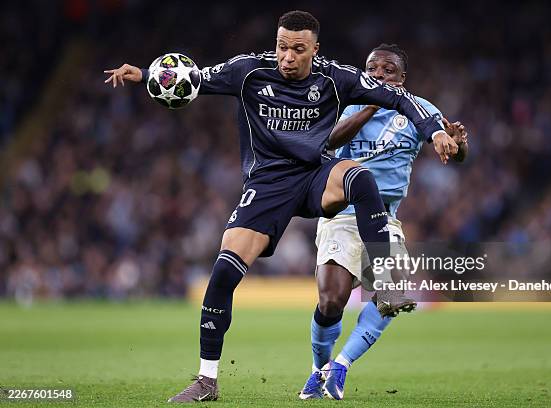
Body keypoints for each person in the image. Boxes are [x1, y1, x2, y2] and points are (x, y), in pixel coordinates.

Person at [104, 10, 458, 402]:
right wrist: (144, 74)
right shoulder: (248, 71)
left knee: (358, 176)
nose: (287, 57)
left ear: (315, 49)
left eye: (298, 49)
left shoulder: (334, 77)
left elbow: (399, 97)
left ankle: (385, 281)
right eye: (282, 47)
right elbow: (196, 78)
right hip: (268, 185)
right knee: (223, 273)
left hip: (314, 176)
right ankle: (206, 380)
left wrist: (435, 132)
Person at [298, 43, 468, 400]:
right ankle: (318, 370)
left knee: (394, 291)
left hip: (384, 218)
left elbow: (452, 147)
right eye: (372, 69)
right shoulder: (349, 105)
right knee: (331, 301)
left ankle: (341, 366)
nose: (378, 75)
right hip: (342, 214)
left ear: (402, 77)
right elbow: (327, 142)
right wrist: (372, 104)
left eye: (388, 70)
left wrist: (457, 143)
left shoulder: (420, 109)